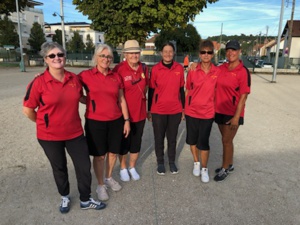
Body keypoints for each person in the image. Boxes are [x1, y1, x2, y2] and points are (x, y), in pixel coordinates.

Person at [22, 42, 106, 213]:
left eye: (60, 54)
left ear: (64, 57)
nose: (57, 58)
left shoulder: (74, 79)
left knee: (83, 166)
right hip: (49, 136)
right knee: (59, 167)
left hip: (74, 133)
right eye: (52, 56)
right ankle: (65, 196)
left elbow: (84, 93)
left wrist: (101, 100)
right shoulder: (39, 82)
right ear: (45, 59)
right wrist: (43, 123)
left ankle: (85, 199)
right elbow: (28, 110)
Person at [78, 44, 130, 201]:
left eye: (109, 57)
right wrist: (89, 101)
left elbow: (121, 99)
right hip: (95, 122)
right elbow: (71, 87)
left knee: (113, 152)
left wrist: (126, 120)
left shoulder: (116, 76)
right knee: (99, 156)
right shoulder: (85, 75)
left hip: (115, 120)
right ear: (96, 57)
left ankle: (108, 177)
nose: (106, 59)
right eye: (103, 56)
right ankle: (100, 185)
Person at [213, 40, 251, 182]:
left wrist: (236, 117)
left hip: (233, 113)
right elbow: (208, 69)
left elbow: (243, 96)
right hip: (220, 110)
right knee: (227, 141)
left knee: (226, 140)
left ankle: (224, 169)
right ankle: (230, 164)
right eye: (228, 50)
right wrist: (193, 65)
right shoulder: (222, 68)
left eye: (233, 50)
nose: (230, 53)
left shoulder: (243, 72)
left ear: (239, 51)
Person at [185, 40, 221, 183]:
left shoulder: (218, 72)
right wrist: (184, 108)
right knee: (192, 140)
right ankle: (196, 163)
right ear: (199, 54)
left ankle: (204, 168)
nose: (206, 55)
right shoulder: (193, 70)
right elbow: (187, 90)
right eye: (203, 52)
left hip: (207, 113)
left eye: (209, 52)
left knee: (203, 142)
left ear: (212, 54)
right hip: (192, 111)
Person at [113, 40, 149, 182]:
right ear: (125, 54)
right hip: (123, 114)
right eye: (131, 53)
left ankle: (132, 167)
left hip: (140, 113)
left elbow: (146, 87)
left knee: (136, 142)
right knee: (124, 143)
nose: (134, 55)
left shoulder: (144, 68)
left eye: (136, 52)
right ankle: (123, 167)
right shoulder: (118, 70)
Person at [148, 42, 185, 175]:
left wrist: (183, 109)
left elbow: (181, 90)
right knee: (159, 138)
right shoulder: (156, 69)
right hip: (158, 110)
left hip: (175, 110)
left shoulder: (179, 69)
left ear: (174, 53)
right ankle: (160, 162)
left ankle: (171, 162)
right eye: (165, 51)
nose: (168, 54)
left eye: (170, 51)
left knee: (172, 138)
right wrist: (149, 110)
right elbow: (151, 91)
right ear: (161, 53)